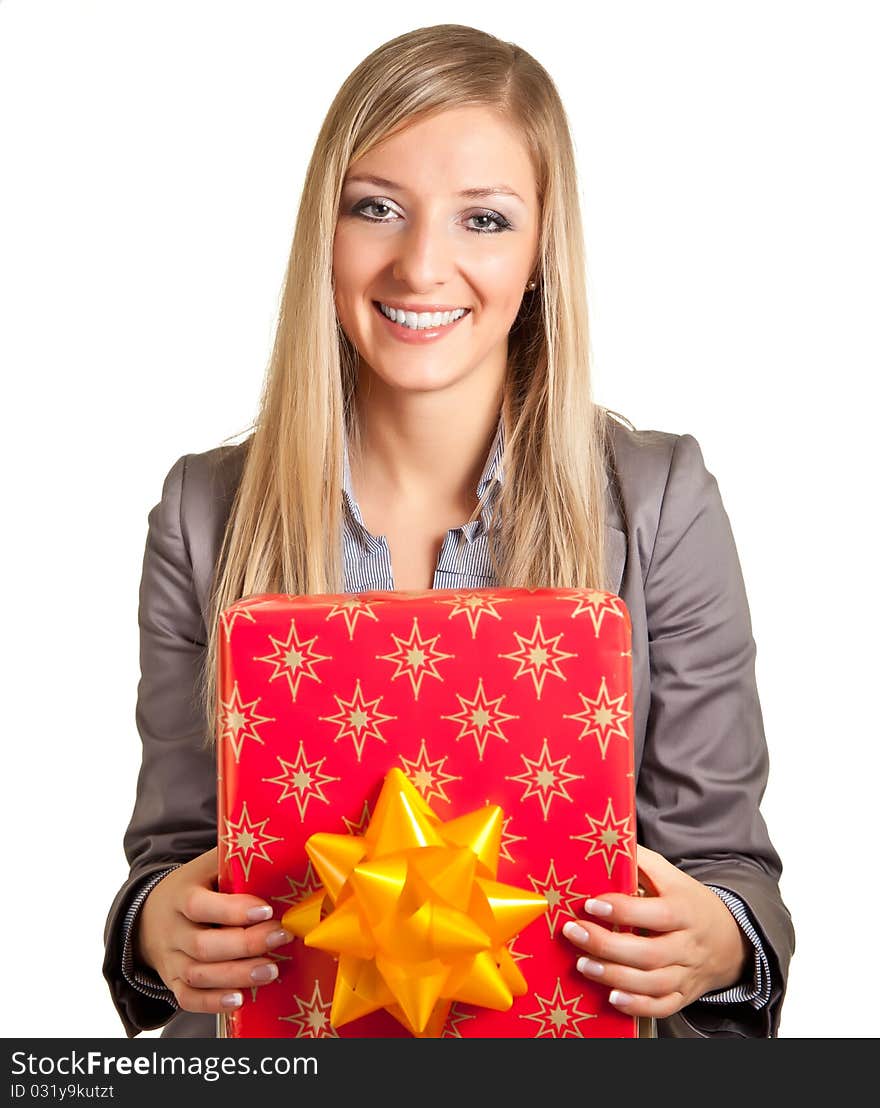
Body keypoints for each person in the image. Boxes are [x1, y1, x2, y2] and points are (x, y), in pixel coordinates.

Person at [103, 23, 794, 1039]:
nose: (421, 264)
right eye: (375, 208)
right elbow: (169, 863)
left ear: (540, 253)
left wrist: (716, 936)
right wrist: (159, 924)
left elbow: (731, 872)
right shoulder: (205, 513)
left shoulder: (658, 501)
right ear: (323, 234)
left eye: (483, 218)